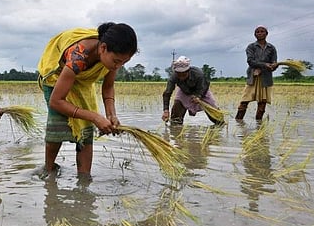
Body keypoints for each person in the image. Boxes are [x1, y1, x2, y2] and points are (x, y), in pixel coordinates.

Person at [37, 22, 138, 177]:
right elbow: (56, 101)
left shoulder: (111, 61)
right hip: (57, 79)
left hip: (82, 82)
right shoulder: (79, 55)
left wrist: (111, 114)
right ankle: (48, 170)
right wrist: (95, 117)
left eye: (123, 63)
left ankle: (84, 180)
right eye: (117, 61)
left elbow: (108, 87)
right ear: (103, 48)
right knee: (56, 126)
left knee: (85, 131)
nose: (119, 66)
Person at [161, 56, 223, 125]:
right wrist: (166, 110)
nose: (181, 78)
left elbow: (203, 87)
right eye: (179, 75)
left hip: (201, 91)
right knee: (176, 111)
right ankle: (175, 128)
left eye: (184, 75)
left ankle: (220, 123)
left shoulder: (198, 74)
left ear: (188, 71)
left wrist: (198, 96)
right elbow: (167, 93)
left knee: (217, 116)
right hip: (184, 91)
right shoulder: (173, 77)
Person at [235, 25, 278, 121]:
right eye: (258, 32)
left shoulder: (271, 48)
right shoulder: (251, 47)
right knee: (244, 101)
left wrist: (274, 66)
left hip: (265, 78)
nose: (260, 33)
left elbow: (274, 63)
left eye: (262, 31)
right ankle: (238, 122)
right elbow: (251, 61)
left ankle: (259, 126)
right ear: (255, 34)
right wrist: (265, 65)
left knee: (262, 104)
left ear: (266, 34)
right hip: (253, 77)